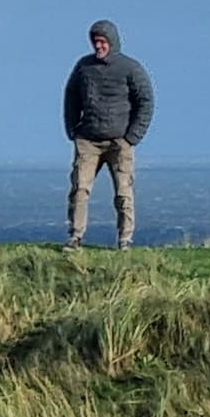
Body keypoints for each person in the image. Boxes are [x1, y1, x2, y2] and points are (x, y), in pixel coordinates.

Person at [63, 19, 154, 247]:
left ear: (112, 42)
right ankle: (76, 236)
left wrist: (132, 137)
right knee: (79, 189)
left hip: (119, 141)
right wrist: (72, 129)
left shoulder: (131, 68)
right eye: (95, 41)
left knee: (123, 192)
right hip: (88, 140)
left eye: (103, 41)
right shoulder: (84, 66)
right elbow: (71, 96)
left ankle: (125, 239)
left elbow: (146, 101)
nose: (98, 46)